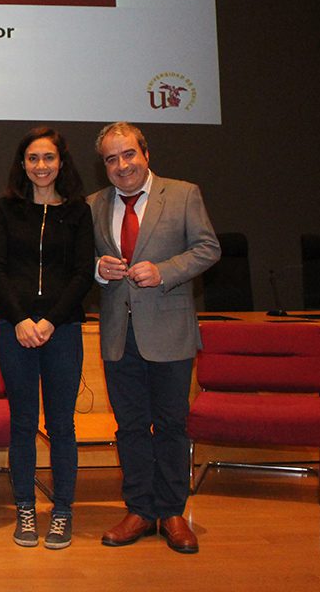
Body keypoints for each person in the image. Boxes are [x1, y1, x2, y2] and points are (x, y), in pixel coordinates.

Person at [88, 121, 219, 554]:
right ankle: (139, 509)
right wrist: (97, 268)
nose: (122, 165)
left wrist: (164, 272)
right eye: (111, 159)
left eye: (128, 155)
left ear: (145, 154)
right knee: (128, 426)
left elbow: (207, 249)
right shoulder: (92, 204)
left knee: (170, 425)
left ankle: (172, 511)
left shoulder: (183, 194)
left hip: (170, 331)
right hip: (117, 335)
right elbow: (80, 259)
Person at [0, 126, 94, 550]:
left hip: (62, 332)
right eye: (33, 158)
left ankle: (62, 510)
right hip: (16, 332)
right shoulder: (6, 209)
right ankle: (26, 509)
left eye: (48, 158)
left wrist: (49, 321)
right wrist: (23, 320)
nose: (41, 166)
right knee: (23, 424)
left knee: (62, 425)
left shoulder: (78, 212)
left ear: (61, 163)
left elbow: (84, 273)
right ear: (23, 164)